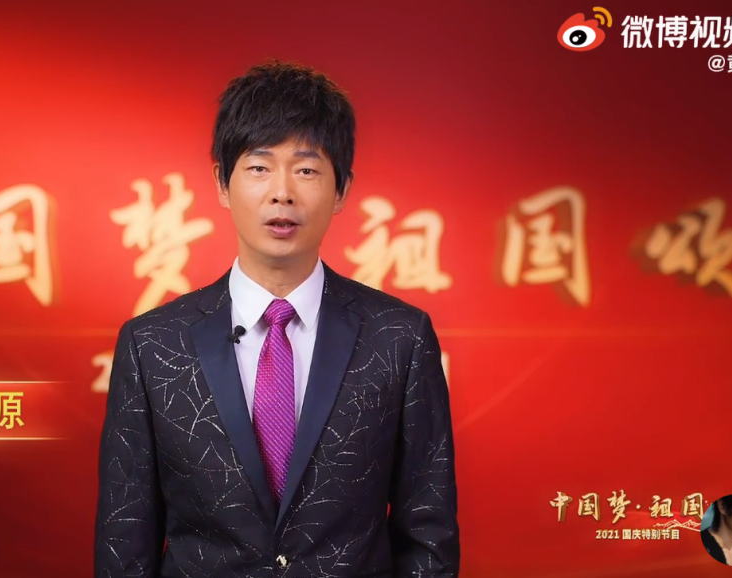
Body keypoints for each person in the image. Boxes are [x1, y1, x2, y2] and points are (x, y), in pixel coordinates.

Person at [95, 60, 460, 577]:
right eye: (259, 167)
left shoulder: (399, 337)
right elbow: (124, 543)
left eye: (306, 169)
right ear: (222, 184)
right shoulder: (152, 344)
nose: (282, 192)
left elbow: (429, 536)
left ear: (341, 190)